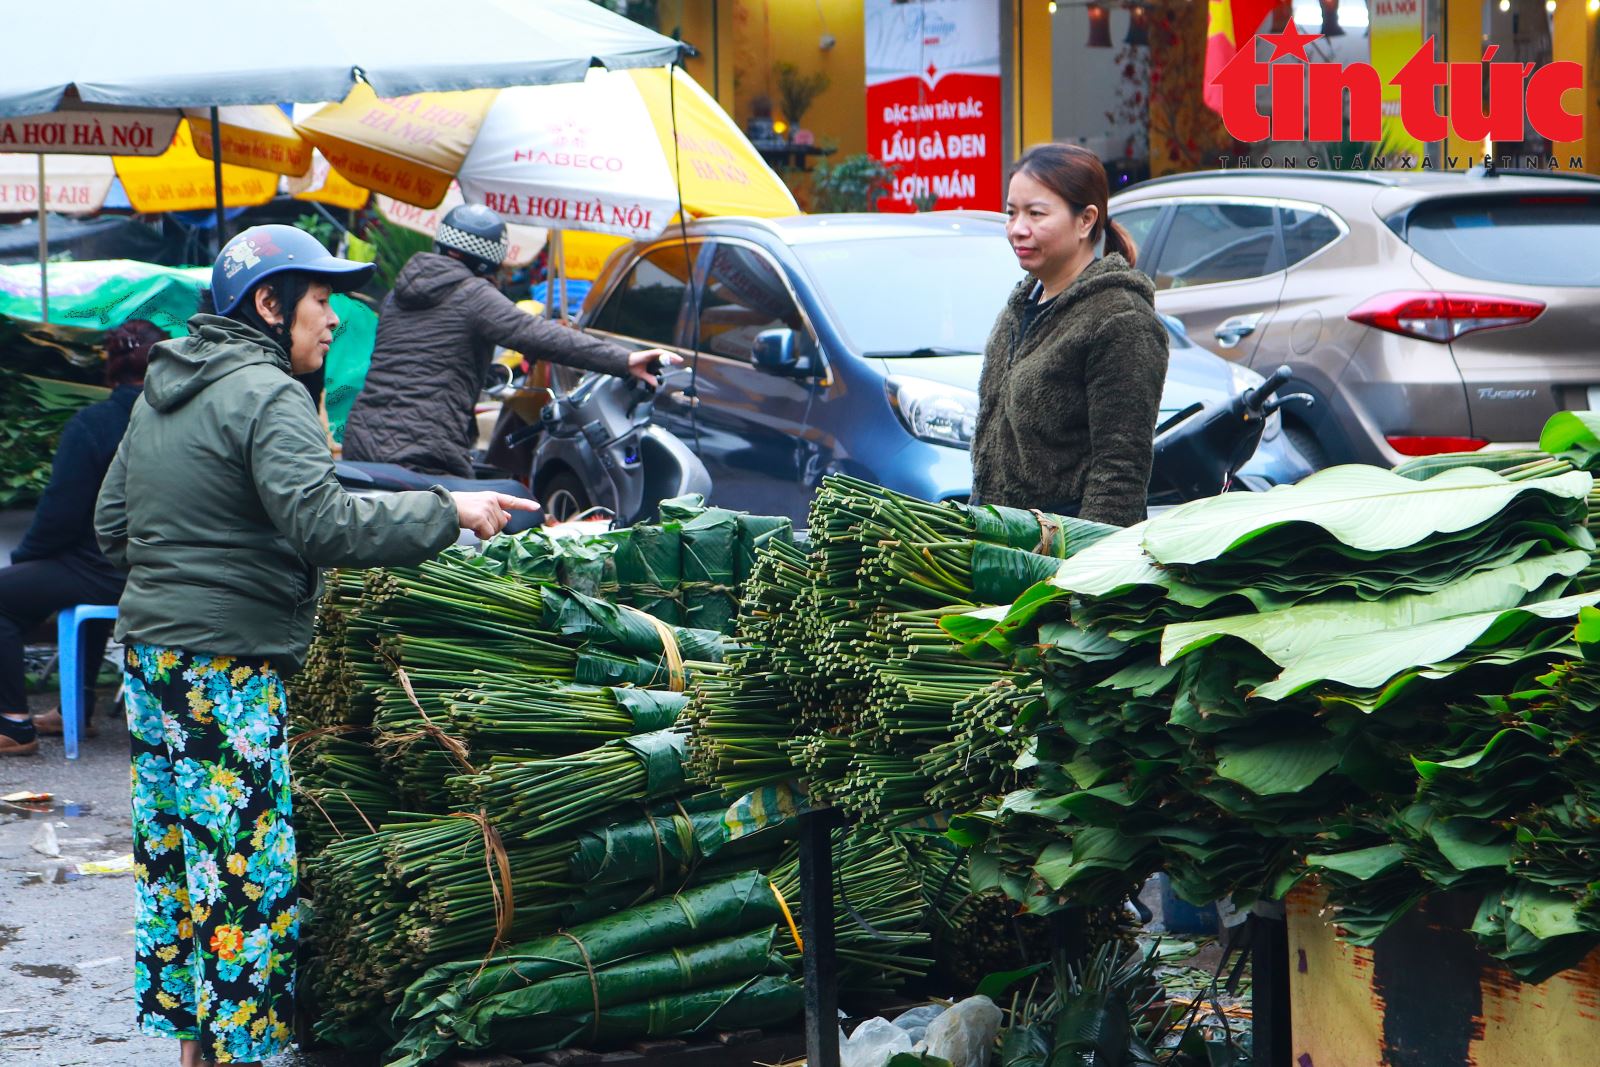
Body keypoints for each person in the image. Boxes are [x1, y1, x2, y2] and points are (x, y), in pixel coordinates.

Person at [94, 224, 534, 1067]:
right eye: (321, 299)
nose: (332, 319)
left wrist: (187, 566)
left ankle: (197, 1053)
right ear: (269, 304)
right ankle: (248, 1056)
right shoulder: (265, 392)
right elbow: (324, 521)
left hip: (151, 660)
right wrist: (451, 509)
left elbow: (113, 528)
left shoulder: (166, 386)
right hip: (225, 663)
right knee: (250, 874)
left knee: (181, 863)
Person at [341, 203, 674, 478]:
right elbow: (538, 335)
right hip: (423, 452)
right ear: (489, 259)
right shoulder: (474, 294)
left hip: (362, 443)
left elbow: (422, 356)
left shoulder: (398, 295)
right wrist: (624, 360)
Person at [970, 143, 1169, 528]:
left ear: (1086, 220)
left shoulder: (1120, 318)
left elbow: (1121, 472)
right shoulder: (1020, 307)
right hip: (1005, 549)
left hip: (1062, 562)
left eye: (1036, 214)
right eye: (1011, 213)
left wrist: (1084, 574)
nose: (1017, 228)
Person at [0, 320, 165, 756]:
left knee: (4, 594)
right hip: (167, 568)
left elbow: (61, 514)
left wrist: (25, 558)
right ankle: (78, 706)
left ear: (110, 367)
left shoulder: (95, 423)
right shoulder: (180, 418)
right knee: (76, 577)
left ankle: (14, 724)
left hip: (108, 568)